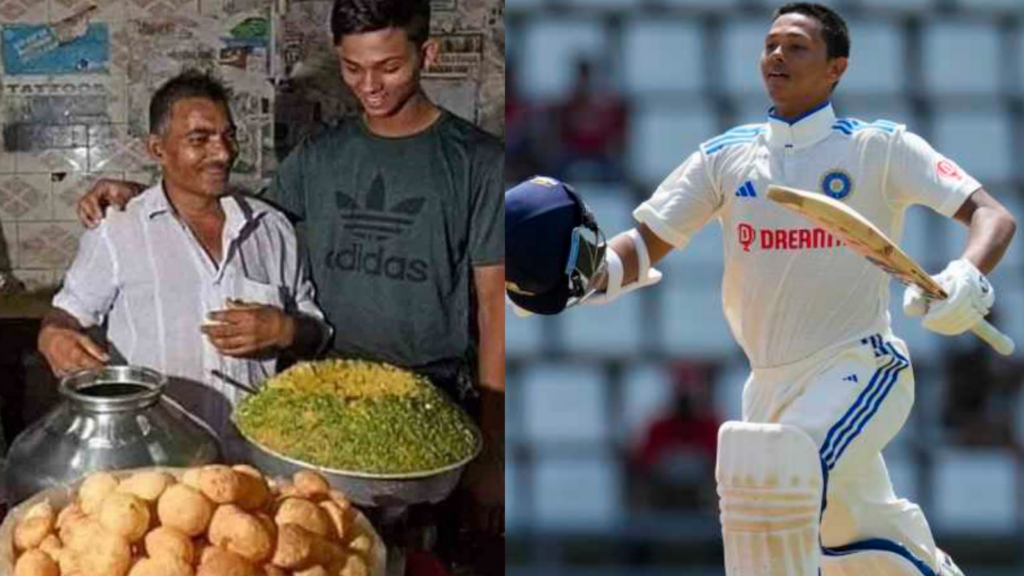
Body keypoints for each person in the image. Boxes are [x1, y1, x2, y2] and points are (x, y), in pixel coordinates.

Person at [506, 4, 1016, 576]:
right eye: (771, 44)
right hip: (769, 388)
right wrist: (583, 277)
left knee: (775, 479)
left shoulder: (879, 147)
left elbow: (991, 216)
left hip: (862, 366)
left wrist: (965, 277)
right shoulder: (726, 156)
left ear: (836, 69)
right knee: (866, 549)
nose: (777, 55)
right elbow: (645, 245)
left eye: (796, 46)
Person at [74, 0, 505, 553]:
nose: (369, 85)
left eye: (389, 67)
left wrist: (494, 448)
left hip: (433, 400)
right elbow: (234, 213)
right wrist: (147, 193)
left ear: (428, 54)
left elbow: (498, 308)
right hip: (323, 406)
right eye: (353, 67)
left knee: (414, 555)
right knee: (322, 550)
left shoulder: (479, 163)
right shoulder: (320, 157)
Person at [38, 71, 330, 448]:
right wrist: (52, 336)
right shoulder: (118, 230)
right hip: (155, 460)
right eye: (200, 139)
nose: (223, 153)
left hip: (258, 456)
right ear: (157, 149)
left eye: (228, 135)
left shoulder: (271, 229)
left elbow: (318, 335)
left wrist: (284, 330)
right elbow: (66, 314)